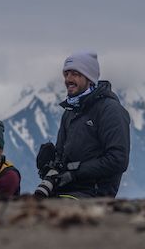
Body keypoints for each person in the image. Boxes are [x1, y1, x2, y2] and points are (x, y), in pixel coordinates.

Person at [35, 51, 130, 198]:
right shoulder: (70, 111)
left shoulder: (110, 110)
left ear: (90, 77)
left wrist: (75, 173)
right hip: (65, 191)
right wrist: (49, 167)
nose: (68, 79)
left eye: (75, 74)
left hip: (94, 194)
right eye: (66, 74)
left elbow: (118, 159)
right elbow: (61, 158)